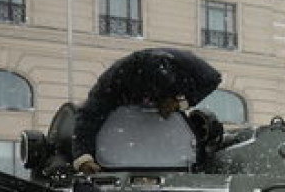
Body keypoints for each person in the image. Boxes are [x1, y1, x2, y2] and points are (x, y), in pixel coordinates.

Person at [72, 47, 222, 174]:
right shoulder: (113, 82)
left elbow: (214, 79)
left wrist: (180, 103)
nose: (155, 101)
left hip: (170, 146)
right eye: (151, 96)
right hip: (122, 144)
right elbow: (88, 117)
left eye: (161, 96)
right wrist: (84, 158)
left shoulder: (187, 65)